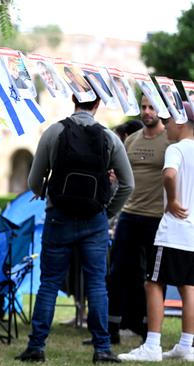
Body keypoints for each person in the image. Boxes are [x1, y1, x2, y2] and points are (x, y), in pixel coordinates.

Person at [16, 94, 133, 363]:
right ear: (97, 104)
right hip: (95, 221)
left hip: (59, 218)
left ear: (73, 100)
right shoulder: (110, 138)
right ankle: (102, 348)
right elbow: (128, 185)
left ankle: (37, 347)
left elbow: (34, 181)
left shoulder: (54, 132)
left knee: (49, 284)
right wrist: (108, 213)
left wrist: (44, 191)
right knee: (97, 286)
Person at [118, 102, 194, 362]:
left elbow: (170, 175)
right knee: (188, 286)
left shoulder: (175, 149)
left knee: (153, 283)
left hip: (173, 230)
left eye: (171, 120)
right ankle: (186, 344)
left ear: (182, 122)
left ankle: (152, 345)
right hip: (192, 233)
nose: (168, 125)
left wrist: (172, 201)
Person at [106, 96, 171, 346]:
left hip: (158, 218)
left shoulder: (171, 142)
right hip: (129, 215)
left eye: (151, 107)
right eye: (143, 107)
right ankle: (111, 329)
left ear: (161, 110)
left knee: (154, 277)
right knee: (117, 273)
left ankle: (148, 331)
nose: (146, 112)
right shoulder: (131, 140)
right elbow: (120, 174)